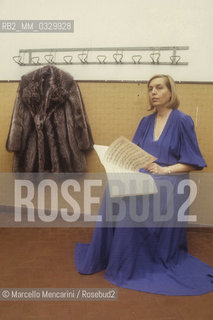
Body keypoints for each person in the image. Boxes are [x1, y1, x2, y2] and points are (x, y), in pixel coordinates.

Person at [74, 74, 213, 295]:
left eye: (159, 88)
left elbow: (193, 163)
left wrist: (164, 169)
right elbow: (135, 154)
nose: (153, 93)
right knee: (114, 187)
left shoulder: (183, 121)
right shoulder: (145, 122)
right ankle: (109, 253)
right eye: (150, 89)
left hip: (170, 180)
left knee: (132, 197)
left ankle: (130, 261)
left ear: (171, 92)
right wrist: (118, 164)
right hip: (145, 175)